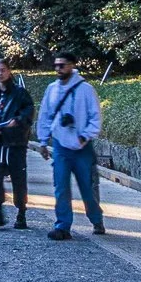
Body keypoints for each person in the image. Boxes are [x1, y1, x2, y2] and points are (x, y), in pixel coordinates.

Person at [36, 55, 104, 239]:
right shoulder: (52, 89)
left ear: (72, 66)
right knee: (61, 187)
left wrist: (86, 135)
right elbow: (45, 116)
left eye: (62, 65)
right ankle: (63, 226)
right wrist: (43, 141)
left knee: (87, 188)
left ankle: (96, 218)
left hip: (82, 146)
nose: (58, 69)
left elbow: (95, 117)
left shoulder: (86, 90)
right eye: (56, 65)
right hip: (60, 145)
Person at [0, 57, 35, 229]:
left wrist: (17, 120)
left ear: (9, 71)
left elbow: (29, 110)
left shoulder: (20, 93)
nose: (0, 73)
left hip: (16, 141)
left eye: (2, 70)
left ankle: (21, 211)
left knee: (18, 176)